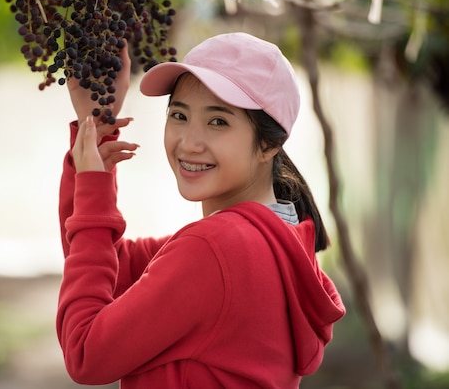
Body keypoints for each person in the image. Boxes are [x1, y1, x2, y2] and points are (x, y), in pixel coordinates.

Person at [57, 32, 346, 388]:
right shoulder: (275, 240)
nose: (189, 143)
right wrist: (94, 130)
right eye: (179, 115)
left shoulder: (217, 249)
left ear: (269, 144)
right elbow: (106, 266)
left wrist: (91, 186)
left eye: (218, 121)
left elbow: (86, 353)